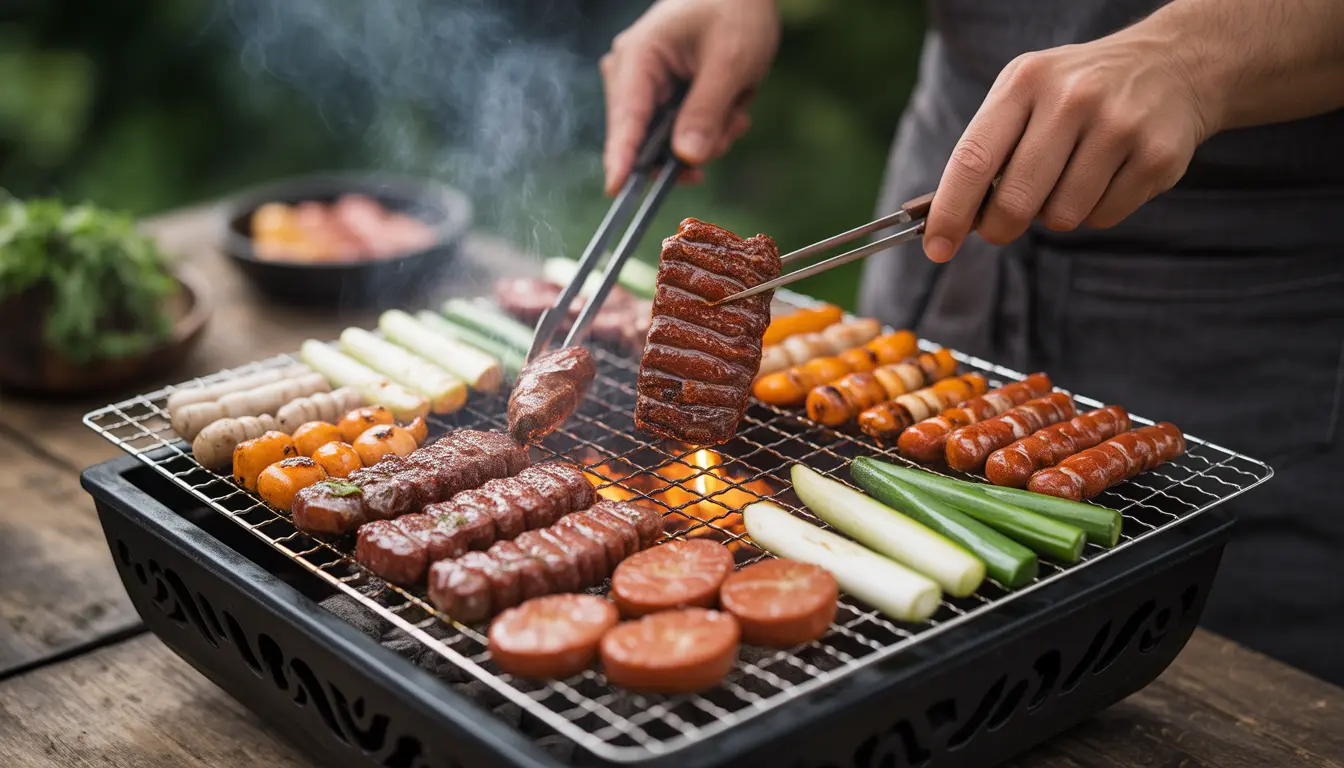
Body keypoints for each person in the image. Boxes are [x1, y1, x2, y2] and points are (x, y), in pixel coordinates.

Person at [600, 0, 1344, 685]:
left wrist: (1192, 58)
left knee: (1233, 678)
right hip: (954, 204)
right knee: (893, 663)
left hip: (1248, 284)